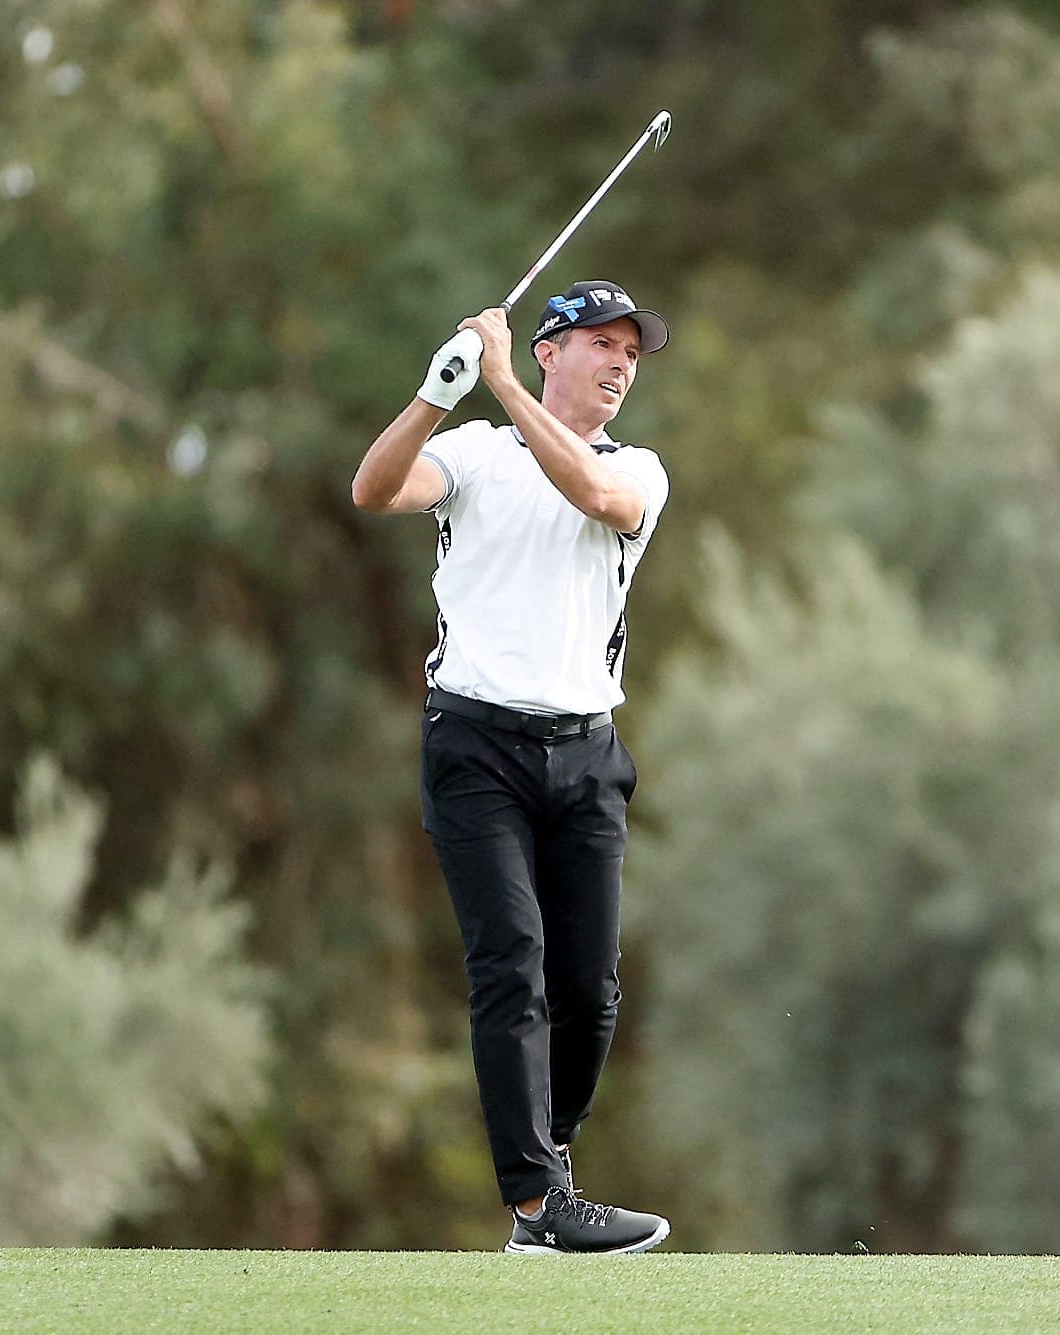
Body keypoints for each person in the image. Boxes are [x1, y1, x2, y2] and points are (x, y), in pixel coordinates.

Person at [351, 280, 673, 1255]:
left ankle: (552, 1165)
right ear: (548, 350)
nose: (620, 364)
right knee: (511, 964)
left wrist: (497, 383)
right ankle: (536, 1203)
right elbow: (374, 490)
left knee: (590, 992)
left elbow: (594, 497)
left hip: (587, 753)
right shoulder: (476, 453)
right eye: (601, 344)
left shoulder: (637, 470)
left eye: (631, 352)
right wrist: (435, 395)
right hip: (475, 748)